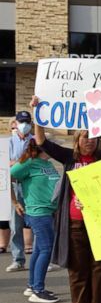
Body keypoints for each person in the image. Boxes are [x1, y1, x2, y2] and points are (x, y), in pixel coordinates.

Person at [31, 95, 101, 303]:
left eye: (95, 137)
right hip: (75, 224)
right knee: (77, 271)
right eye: (86, 136)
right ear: (77, 139)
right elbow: (41, 141)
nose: (90, 141)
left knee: (99, 270)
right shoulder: (68, 158)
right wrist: (37, 114)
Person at [9, 138, 59, 303]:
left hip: (49, 211)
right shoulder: (29, 163)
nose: (55, 148)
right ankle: (38, 289)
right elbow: (6, 176)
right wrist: (15, 202)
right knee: (46, 249)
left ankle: (32, 285)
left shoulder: (48, 165)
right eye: (52, 145)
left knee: (39, 250)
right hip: (38, 212)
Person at [6, 112, 34, 273]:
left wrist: (18, 163)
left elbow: (41, 158)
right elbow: (6, 163)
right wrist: (23, 162)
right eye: (22, 122)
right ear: (15, 123)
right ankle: (18, 259)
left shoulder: (35, 140)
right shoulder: (9, 141)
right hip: (15, 184)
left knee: (36, 221)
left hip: (32, 184)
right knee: (16, 224)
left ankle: (43, 257)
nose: (25, 125)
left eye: (27, 122)